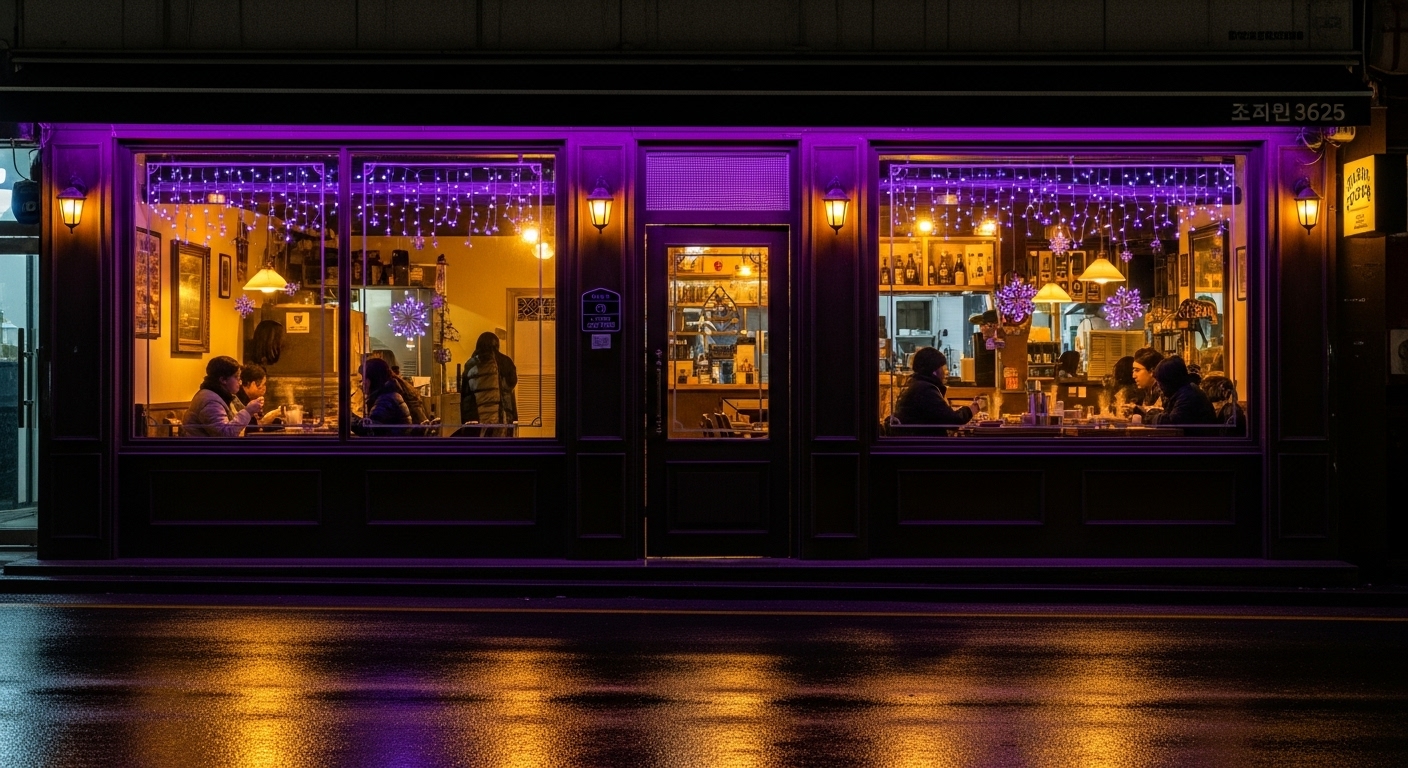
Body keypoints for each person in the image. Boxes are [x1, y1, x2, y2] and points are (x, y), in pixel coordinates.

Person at [891, 347, 987, 432]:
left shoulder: (917, 385)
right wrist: (972, 409)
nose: (946, 372)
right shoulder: (925, 390)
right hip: (925, 447)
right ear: (934, 371)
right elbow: (952, 421)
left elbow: (939, 414)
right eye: (943, 368)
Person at [182, 355, 264, 437]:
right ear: (223, 380)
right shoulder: (210, 401)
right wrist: (248, 411)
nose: (240, 382)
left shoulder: (224, 396)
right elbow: (225, 434)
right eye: (236, 377)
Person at [459, 331, 518, 435]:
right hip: (502, 417)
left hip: (478, 419)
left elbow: (465, 396)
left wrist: (465, 420)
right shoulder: (505, 361)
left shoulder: (470, 364)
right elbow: (512, 383)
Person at [1135, 355, 1218, 426]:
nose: (1160, 388)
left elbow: (1172, 422)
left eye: (1161, 383)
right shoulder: (1183, 392)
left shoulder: (1188, 395)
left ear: (1170, 380)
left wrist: (1152, 417)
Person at [366, 348, 429, 427]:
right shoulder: (398, 385)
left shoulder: (389, 394)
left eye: (376, 357)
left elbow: (374, 428)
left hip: (407, 437)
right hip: (414, 435)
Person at [353, 357, 412, 436]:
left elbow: (371, 431)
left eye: (363, 379)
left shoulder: (385, 401)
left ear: (372, 380)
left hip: (391, 447)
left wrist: (349, 419)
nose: (361, 384)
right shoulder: (389, 395)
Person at [235, 363, 284, 430]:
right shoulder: (237, 400)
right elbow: (249, 429)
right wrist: (264, 422)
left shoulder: (250, 399)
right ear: (253, 384)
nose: (264, 388)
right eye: (263, 385)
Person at [967, 309, 999, 386]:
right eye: (981, 326)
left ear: (997, 326)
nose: (982, 329)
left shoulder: (1006, 344)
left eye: (986, 325)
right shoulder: (982, 345)